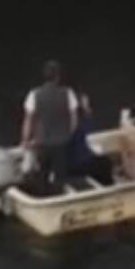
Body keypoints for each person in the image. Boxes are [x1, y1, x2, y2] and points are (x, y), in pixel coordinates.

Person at [21, 60, 79, 192]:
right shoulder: (68, 93)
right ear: (58, 76)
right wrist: (68, 137)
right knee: (60, 177)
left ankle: (43, 195)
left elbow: (28, 121)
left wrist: (25, 140)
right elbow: (74, 122)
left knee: (42, 175)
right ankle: (59, 195)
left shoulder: (34, 94)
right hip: (62, 144)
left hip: (42, 143)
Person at [67, 91, 114, 186]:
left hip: (76, 163)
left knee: (103, 162)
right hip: (79, 164)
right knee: (104, 163)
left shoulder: (80, 121)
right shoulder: (82, 122)